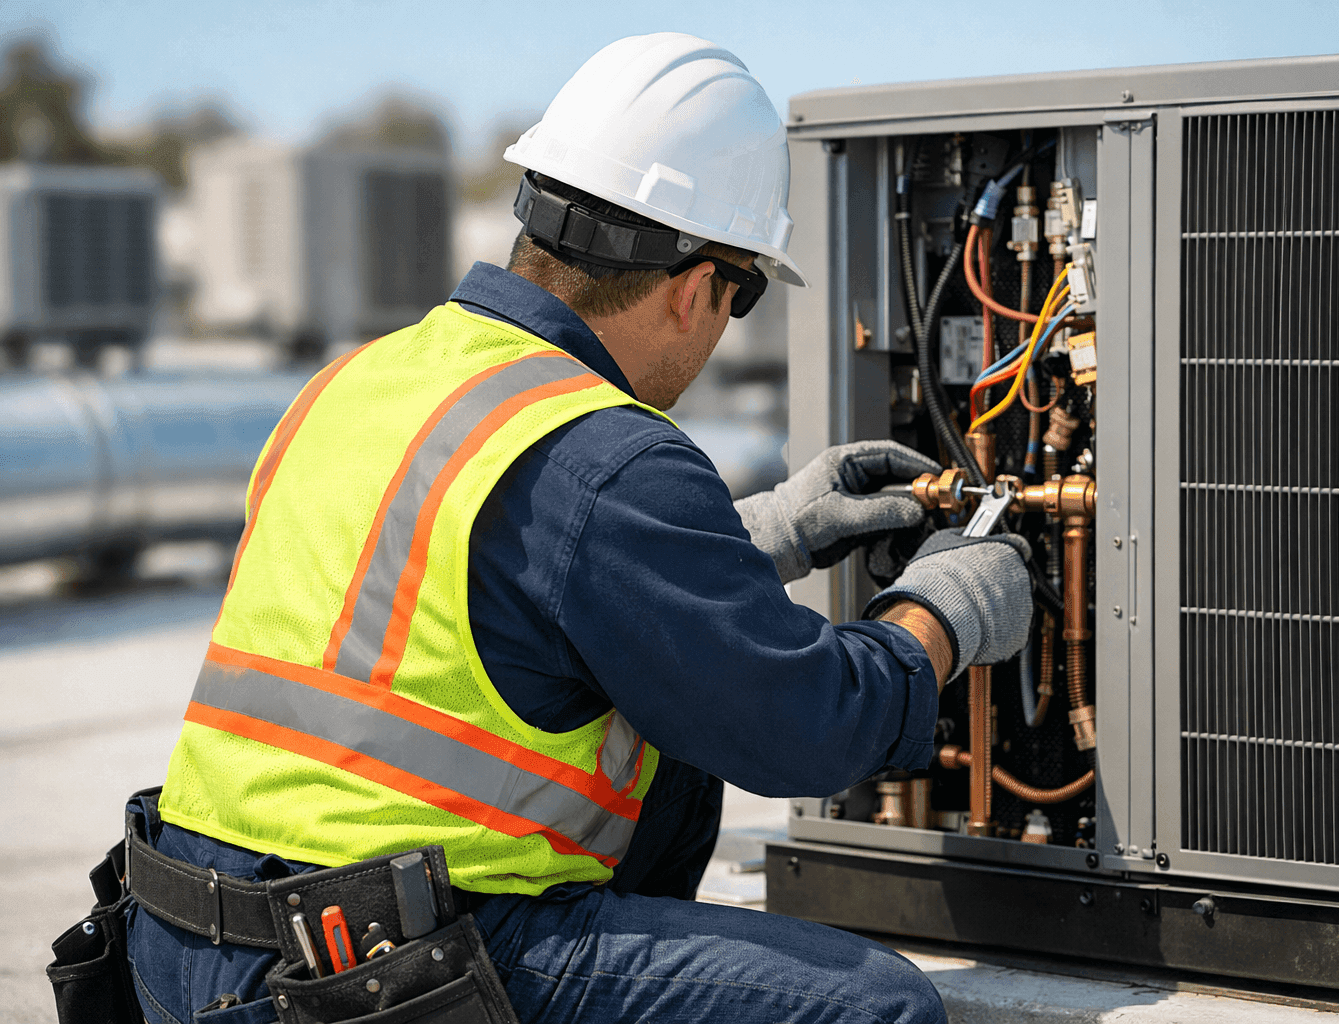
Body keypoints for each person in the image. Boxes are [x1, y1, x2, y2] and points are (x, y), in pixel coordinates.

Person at [119, 33, 1033, 1024]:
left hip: (178, 946)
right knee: (878, 1006)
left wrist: (748, 537)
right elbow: (806, 728)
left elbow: (469, 590)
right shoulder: (609, 454)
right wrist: (938, 615)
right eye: (743, 294)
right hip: (374, 974)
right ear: (697, 286)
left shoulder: (364, 378)